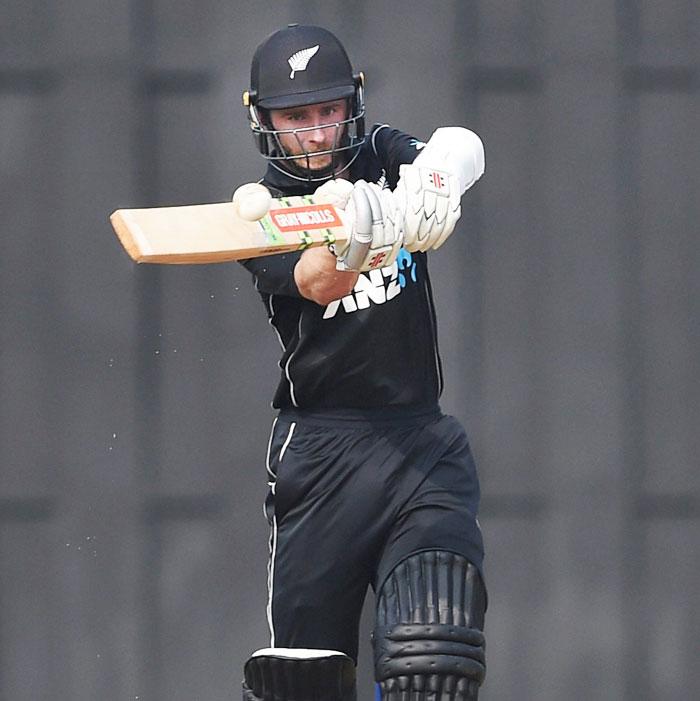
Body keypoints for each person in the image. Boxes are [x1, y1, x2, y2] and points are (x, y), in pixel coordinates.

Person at [235, 24, 487, 701]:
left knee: (431, 659)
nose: (318, 133)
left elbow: (463, 147)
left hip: (419, 442)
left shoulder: (378, 153)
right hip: (320, 455)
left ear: (353, 103)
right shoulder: (258, 212)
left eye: (329, 110)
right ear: (264, 120)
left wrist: (435, 177)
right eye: (297, 118)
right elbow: (320, 283)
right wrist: (360, 239)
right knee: (303, 683)